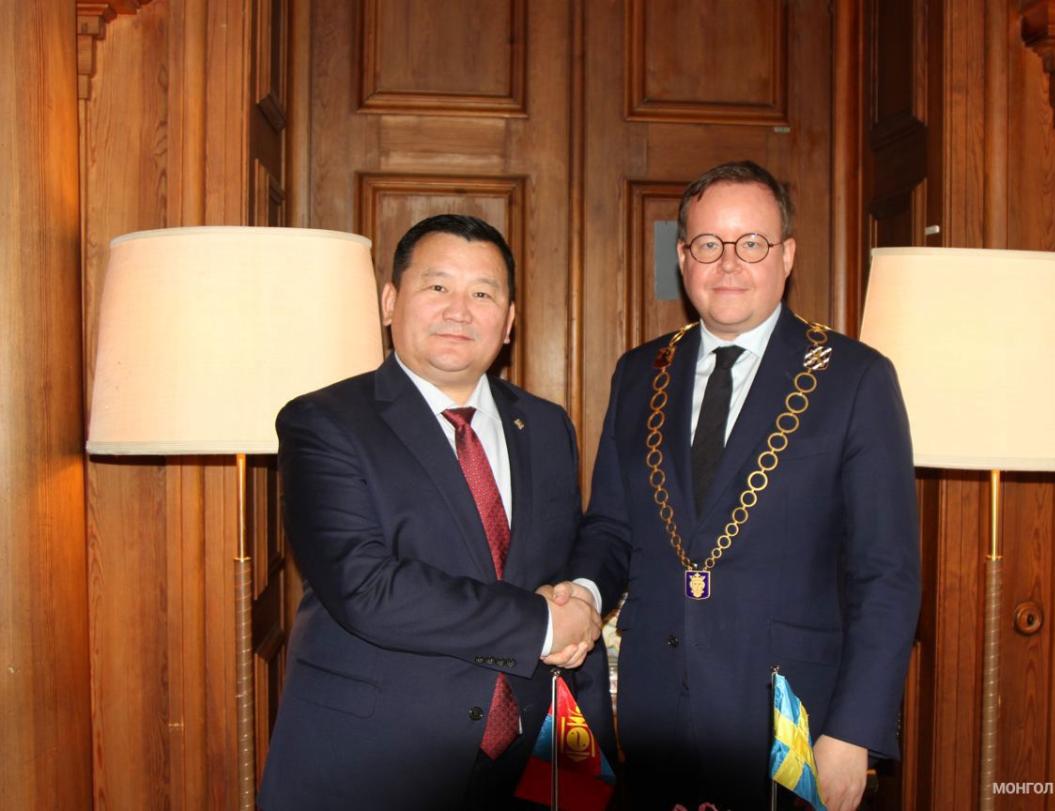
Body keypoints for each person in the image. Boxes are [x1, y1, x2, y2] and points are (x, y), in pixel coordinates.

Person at [553, 161, 920, 810]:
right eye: (708, 244)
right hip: (655, 711)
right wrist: (581, 594)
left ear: (787, 256)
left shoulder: (852, 378)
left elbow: (885, 573)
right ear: (683, 257)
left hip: (791, 718)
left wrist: (854, 731)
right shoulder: (640, 372)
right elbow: (610, 525)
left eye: (751, 243)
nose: (728, 264)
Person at [259, 214, 609, 810]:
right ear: (390, 301)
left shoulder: (547, 425)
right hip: (376, 762)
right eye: (438, 286)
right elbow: (365, 587)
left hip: (529, 761)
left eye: (483, 294)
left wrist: (579, 604)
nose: (459, 311)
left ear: (509, 321)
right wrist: (544, 625)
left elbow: (561, 560)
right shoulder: (324, 422)